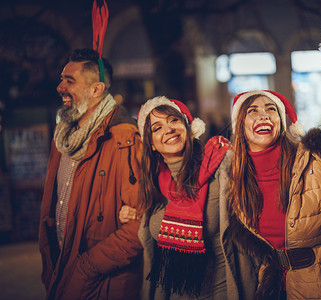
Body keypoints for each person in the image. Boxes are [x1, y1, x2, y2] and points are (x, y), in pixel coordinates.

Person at [227, 90, 321, 299]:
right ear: (240, 125)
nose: (264, 115)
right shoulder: (235, 178)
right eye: (253, 111)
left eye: (271, 109)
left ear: (281, 121)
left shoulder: (313, 158)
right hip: (273, 286)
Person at [38, 49, 143, 300]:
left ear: (96, 89)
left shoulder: (124, 139)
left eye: (69, 81)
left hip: (103, 286)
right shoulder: (62, 137)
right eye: (61, 78)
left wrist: (86, 268)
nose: (60, 86)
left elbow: (141, 225)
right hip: (63, 274)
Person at [134, 96, 257, 299]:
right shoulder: (154, 184)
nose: (168, 129)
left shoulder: (220, 164)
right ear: (151, 144)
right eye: (157, 128)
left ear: (189, 127)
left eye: (174, 120)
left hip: (222, 291)